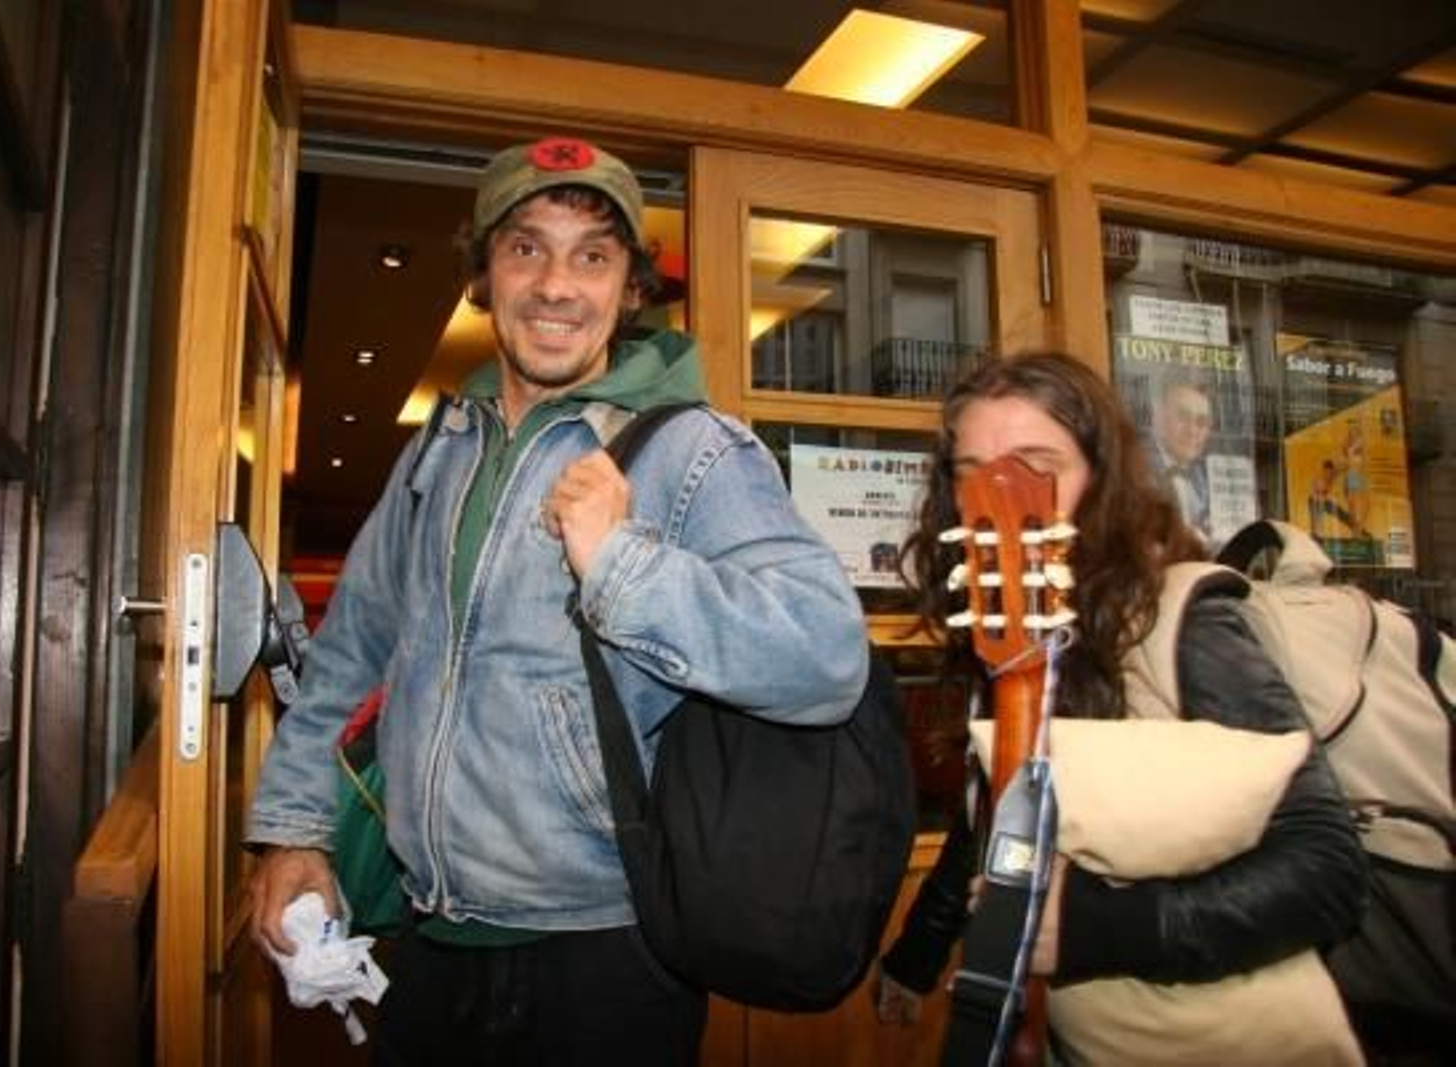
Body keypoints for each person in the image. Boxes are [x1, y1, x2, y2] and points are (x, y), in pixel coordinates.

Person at [244, 136, 870, 1067]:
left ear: (629, 288)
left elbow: (825, 656)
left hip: (606, 953)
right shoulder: (437, 449)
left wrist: (620, 566)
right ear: (484, 274)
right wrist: (295, 827)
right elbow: (351, 652)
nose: (556, 286)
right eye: (526, 247)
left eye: (593, 257)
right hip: (427, 938)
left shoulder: (695, 450)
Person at [875, 352, 1368, 1053]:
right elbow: (1002, 807)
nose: (998, 495)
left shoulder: (1182, 620)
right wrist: (918, 952)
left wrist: (1096, 929)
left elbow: (1327, 868)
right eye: (971, 469)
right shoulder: (1009, 630)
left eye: (1036, 464)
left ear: (1101, 478)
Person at [1146, 370, 1215, 543]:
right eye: (1183, 418)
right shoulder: (1137, 468)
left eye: (1201, 422)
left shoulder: (1204, 477)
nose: (1192, 431)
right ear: (1158, 417)